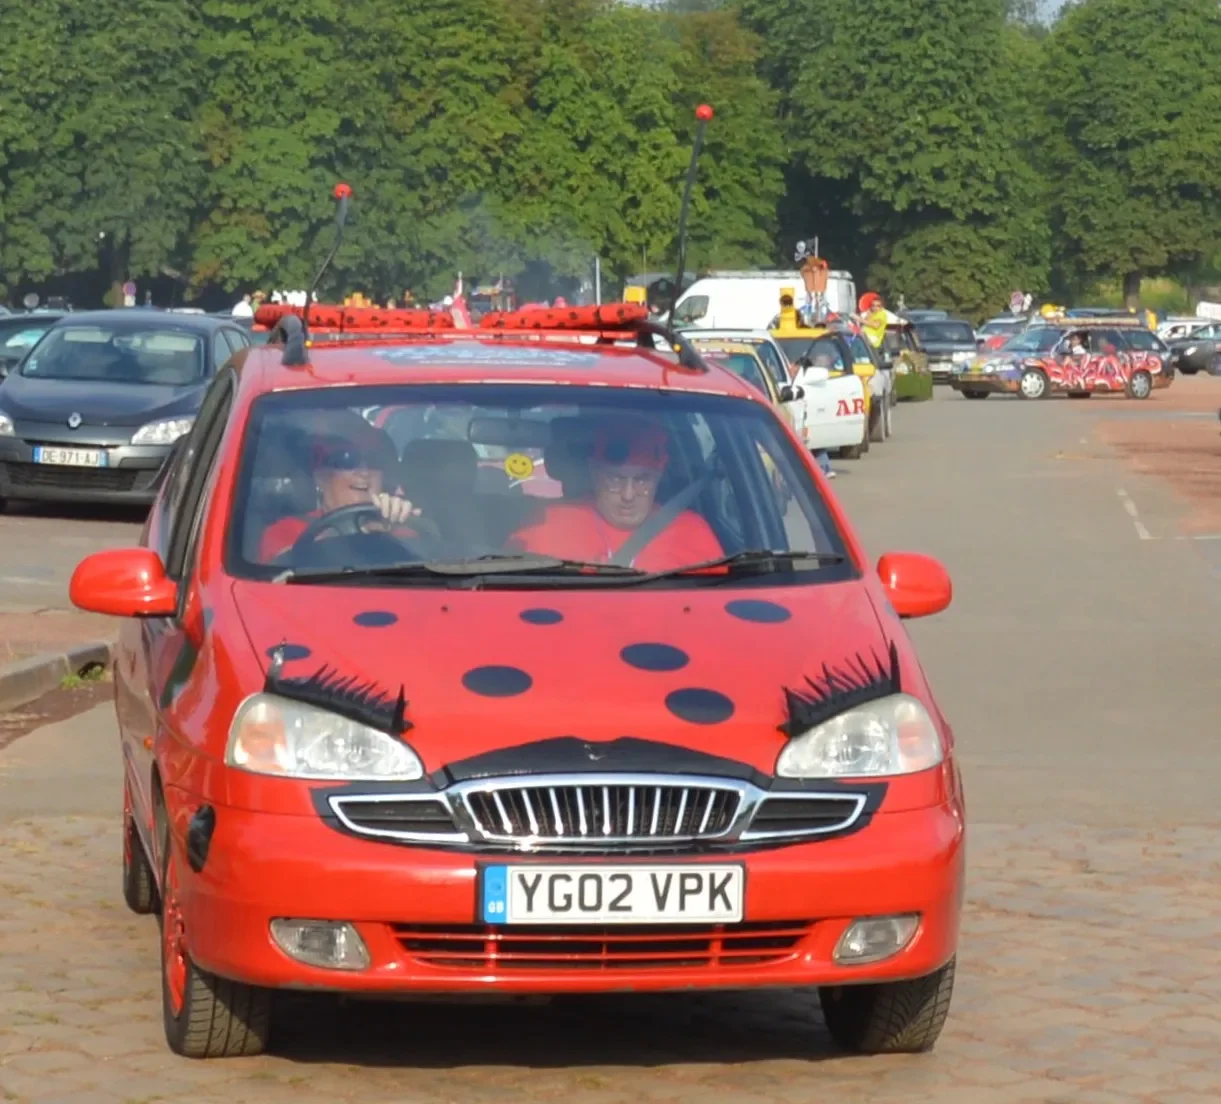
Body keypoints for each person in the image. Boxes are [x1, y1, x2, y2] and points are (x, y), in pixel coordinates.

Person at [507, 415, 724, 570]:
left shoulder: (692, 532)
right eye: (614, 479)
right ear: (594, 474)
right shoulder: (545, 524)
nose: (628, 495)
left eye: (642, 480)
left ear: (659, 477)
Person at [259, 413, 419, 561]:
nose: (363, 472)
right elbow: (280, 575)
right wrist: (359, 534)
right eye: (347, 460)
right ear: (320, 476)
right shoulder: (288, 530)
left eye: (372, 461)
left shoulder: (399, 529)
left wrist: (390, 533)